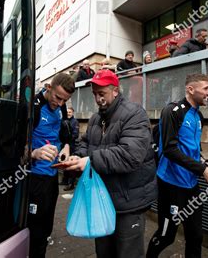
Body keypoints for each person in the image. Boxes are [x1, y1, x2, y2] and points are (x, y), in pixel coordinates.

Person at [64, 69, 157, 258]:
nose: (98, 99)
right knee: (104, 252)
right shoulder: (95, 118)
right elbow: (86, 143)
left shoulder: (134, 114)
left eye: (102, 93)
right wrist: (77, 157)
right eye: (95, 94)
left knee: (128, 254)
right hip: (103, 199)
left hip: (130, 201)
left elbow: (130, 155)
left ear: (115, 91)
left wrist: (90, 161)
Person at [147, 74, 208, 258]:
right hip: (171, 185)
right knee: (166, 236)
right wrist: (203, 170)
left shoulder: (199, 116)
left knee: (196, 236)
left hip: (191, 185)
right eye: (205, 88)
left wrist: (204, 161)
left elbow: (192, 147)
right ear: (190, 89)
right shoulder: (173, 111)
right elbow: (170, 150)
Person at [27, 73, 75, 258]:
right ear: (48, 88)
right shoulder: (33, 107)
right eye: (57, 97)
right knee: (34, 228)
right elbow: (12, 144)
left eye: (65, 100)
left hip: (52, 175)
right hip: (34, 176)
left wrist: (66, 147)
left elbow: (64, 133)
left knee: (46, 226)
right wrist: (33, 153)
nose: (60, 103)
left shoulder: (61, 108)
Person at [62, 107, 80, 191]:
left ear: (72, 113)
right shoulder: (64, 120)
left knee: (70, 164)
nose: (68, 113)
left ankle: (71, 183)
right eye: (67, 112)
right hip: (64, 145)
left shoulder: (75, 122)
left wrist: (68, 141)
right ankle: (65, 181)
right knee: (64, 162)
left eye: (70, 112)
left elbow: (75, 134)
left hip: (72, 145)